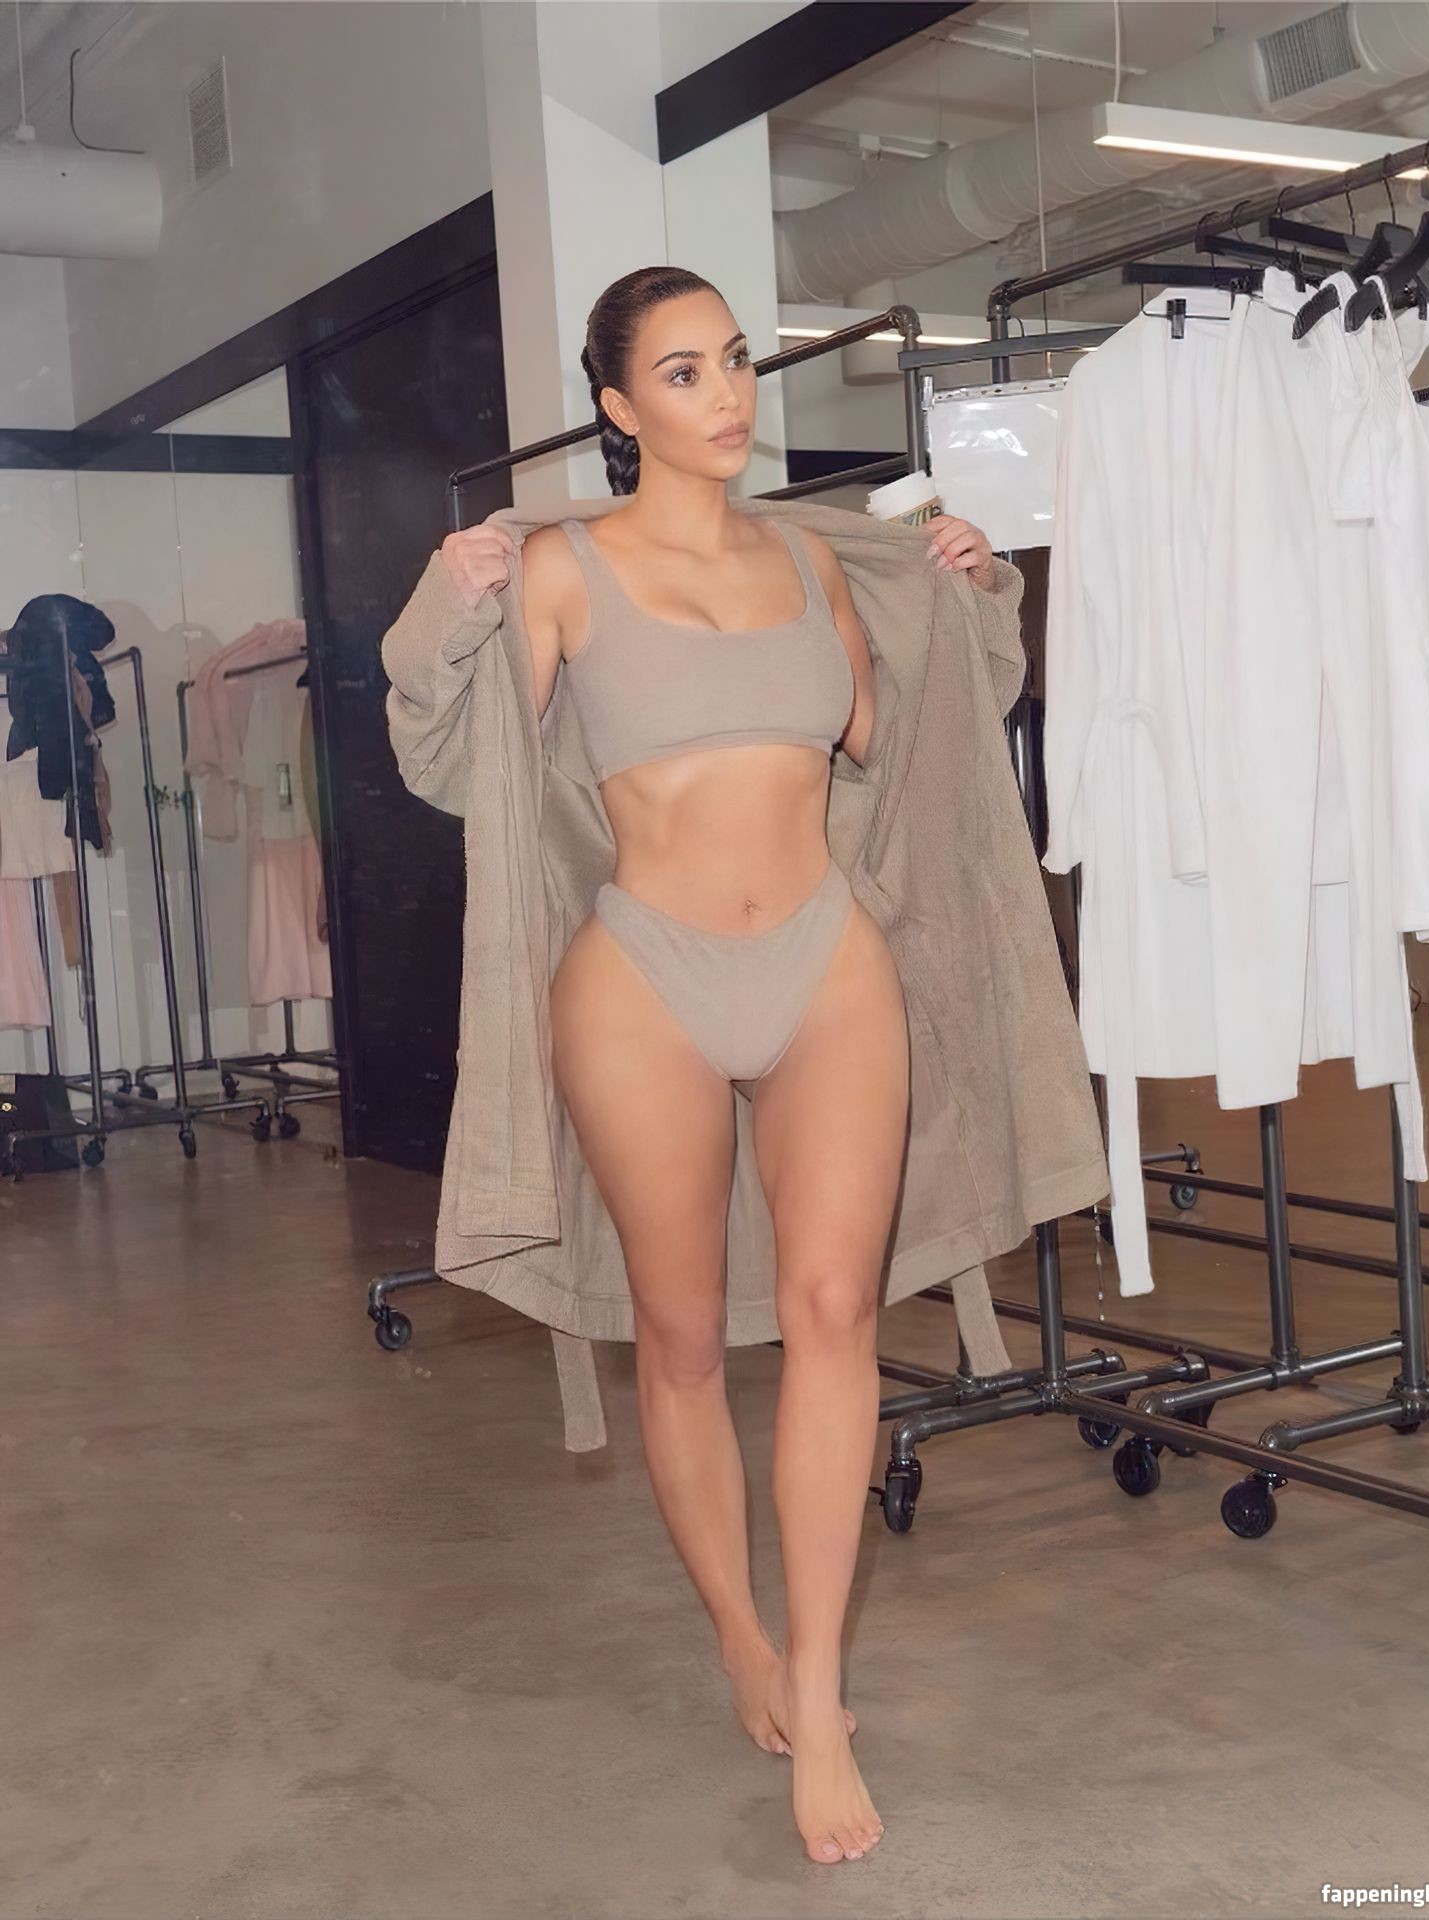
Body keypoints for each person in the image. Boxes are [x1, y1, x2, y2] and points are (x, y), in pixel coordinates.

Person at [437, 266, 1000, 1868]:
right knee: (680, 1336)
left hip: (825, 958)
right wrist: (448, 606)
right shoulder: (564, 570)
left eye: (738, 361)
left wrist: (960, 589)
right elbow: (459, 755)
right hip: (646, 975)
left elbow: (896, 738)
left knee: (835, 1310)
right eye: (684, 372)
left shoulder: (815, 560)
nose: (729, 393)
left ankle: (817, 1688)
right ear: (621, 408)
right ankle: (741, 1638)